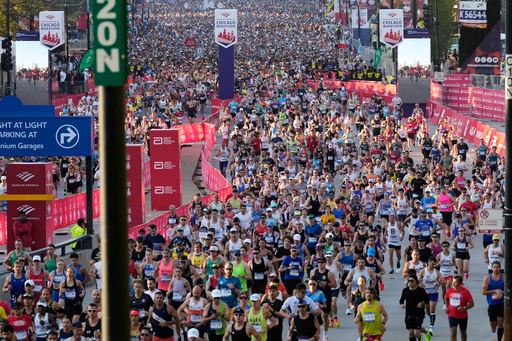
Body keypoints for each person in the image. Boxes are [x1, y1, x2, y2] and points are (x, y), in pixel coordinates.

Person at [418, 257, 446, 335]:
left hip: (434, 293)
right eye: (432, 264)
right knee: (427, 311)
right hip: (425, 293)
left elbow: (444, 281)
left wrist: (438, 283)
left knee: (432, 310)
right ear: (428, 262)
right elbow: (418, 280)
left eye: (435, 264)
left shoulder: (436, 272)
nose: (434, 266)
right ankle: (431, 319)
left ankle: (431, 328)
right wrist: (420, 284)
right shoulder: (423, 271)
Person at [399, 275, 431, 341]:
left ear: (416, 282)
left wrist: (422, 303)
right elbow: (402, 299)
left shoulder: (420, 290)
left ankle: (426, 332)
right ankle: (419, 336)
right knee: (411, 333)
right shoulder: (405, 290)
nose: (410, 282)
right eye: (409, 281)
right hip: (409, 314)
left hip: (418, 314)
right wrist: (401, 304)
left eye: (412, 281)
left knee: (416, 333)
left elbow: (427, 299)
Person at [444, 275, 474, 341]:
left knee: (463, 333)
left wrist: (464, 308)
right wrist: (447, 307)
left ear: (460, 283)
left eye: (455, 282)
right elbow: (446, 298)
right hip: (452, 315)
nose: (453, 284)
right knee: (453, 333)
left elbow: (472, 304)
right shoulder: (449, 290)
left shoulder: (466, 291)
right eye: (453, 282)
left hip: (463, 316)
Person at [482, 261, 505, 341]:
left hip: (501, 303)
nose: (496, 269)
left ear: (500, 268)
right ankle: (493, 327)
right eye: (494, 267)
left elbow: (508, 290)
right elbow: (484, 292)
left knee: (501, 322)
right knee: (493, 324)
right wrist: (495, 291)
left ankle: (499, 339)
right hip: (492, 303)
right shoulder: (488, 278)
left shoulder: (504, 277)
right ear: (492, 268)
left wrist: (501, 292)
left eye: (497, 267)